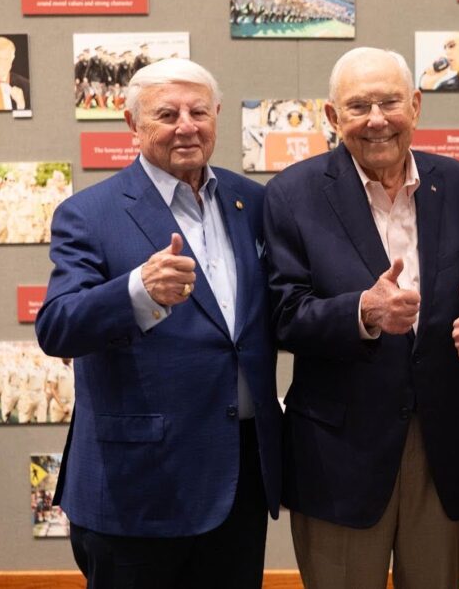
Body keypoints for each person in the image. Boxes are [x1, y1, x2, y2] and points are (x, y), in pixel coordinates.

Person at [35, 58, 282, 589]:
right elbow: (56, 326)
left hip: (238, 480)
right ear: (133, 125)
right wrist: (135, 291)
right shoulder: (89, 213)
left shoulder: (254, 202)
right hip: (137, 485)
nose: (186, 125)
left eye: (198, 111)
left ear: (217, 115)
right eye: (166, 114)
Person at [263, 46, 459, 589]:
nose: (377, 120)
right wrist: (361, 312)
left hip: (445, 446)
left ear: (415, 106)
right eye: (358, 106)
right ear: (331, 117)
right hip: (340, 454)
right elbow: (283, 313)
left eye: (390, 102)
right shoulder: (291, 195)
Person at [0, 36, 30, 111]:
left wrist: (21, 106)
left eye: (5, 59)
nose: (0, 64)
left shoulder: (26, 86)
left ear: (12, 58)